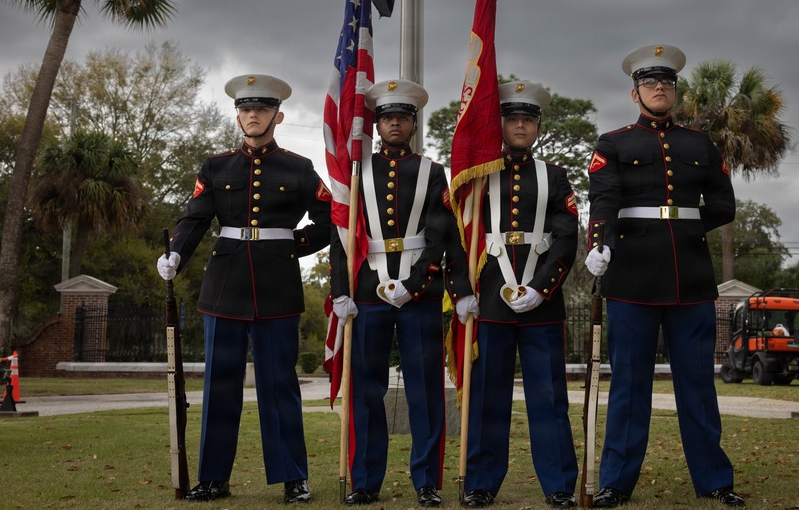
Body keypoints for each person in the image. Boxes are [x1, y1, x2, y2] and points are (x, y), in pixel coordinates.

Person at [156, 74, 332, 504]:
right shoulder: (215, 167)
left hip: (278, 286)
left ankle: (294, 477)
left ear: (278, 115)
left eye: (261, 109)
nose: (252, 115)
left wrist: (292, 245)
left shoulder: (298, 167)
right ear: (237, 115)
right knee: (219, 387)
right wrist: (176, 252)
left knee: (280, 386)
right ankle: (213, 478)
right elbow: (195, 217)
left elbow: (329, 221)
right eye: (245, 109)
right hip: (225, 288)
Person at [584, 45, 745, 507]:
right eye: (651, 83)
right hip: (632, 277)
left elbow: (722, 204)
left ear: (675, 91)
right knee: (629, 387)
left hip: (690, 278)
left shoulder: (700, 144)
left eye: (667, 83)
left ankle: (715, 480)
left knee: (697, 386)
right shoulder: (612, 143)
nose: (660, 88)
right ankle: (616, 482)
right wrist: (602, 243)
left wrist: (683, 227)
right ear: (634, 92)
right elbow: (605, 200)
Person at [330, 79, 477, 508]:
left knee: (425, 392)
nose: (395, 123)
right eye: (388, 117)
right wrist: (341, 292)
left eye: (403, 117)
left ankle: (427, 482)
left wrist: (415, 285)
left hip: (421, 294)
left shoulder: (432, 172)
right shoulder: (355, 173)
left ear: (413, 123)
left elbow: (443, 235)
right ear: (376, 124)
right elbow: (342, 236)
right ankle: (364, 481)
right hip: (367, 296)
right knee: (365, 391)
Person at [462, 81, 580, 509]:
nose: (519, 126)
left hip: (542, 305)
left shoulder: (555, 176)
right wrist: (461, 291)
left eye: (527, 120)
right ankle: (480, 483)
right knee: (487, 398)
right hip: (490, 301)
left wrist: (542, 288)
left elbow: (567, 238)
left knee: (549, 400)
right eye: (512, 119)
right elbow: (461, 236)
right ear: (500, 125)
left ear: (537, 128)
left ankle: (559, 485)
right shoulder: (478, 175)